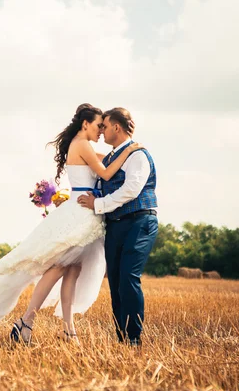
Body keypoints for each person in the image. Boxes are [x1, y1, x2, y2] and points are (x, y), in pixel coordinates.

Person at [0, 103, 143, 344]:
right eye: (98, 125)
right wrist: (130, 151)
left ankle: (68, 330)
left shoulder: (82, 145)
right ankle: (26, 321)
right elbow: (107, 173)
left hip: (84, 210)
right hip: (81, 213)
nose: (101, 131)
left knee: (72, 271)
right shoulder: (82, 144)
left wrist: (124, 151)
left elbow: (108, 160)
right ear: (85, 124)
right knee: (58, 267)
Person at [78, 107, 158, 346]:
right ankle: (122, 339)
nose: (101, 130)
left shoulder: (138, 155)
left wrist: (98, 204)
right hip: (115, 225)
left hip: (139, 221)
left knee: (127, 278)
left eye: (104, 126)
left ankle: (134, 339)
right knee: (114, 280)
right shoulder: (112, 157)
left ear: (116, 127)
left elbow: (131, 190)